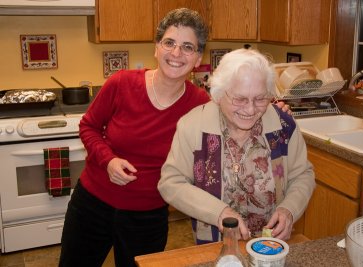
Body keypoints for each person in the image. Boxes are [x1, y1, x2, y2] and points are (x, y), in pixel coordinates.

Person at [59, 8, 290, 267]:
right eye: (169, 43)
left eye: (187, 47)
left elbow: (242, 112)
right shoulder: (121, 83)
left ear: (198, 57)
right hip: (92, 204)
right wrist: (108, 160)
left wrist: (273, 112)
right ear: (157, 48)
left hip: (148, 217)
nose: (176, 53)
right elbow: (88, 126)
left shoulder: (202, 104)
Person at [158, 48, 316, 244]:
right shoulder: (192, 126)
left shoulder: (283, 126)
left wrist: (289, 209)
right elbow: (171, 183)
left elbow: (302, 175)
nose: (250, 109)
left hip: (270, 245)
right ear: (218, 94)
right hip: (214, 245)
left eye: (260, 98)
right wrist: (219, 212)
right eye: (240, 99)